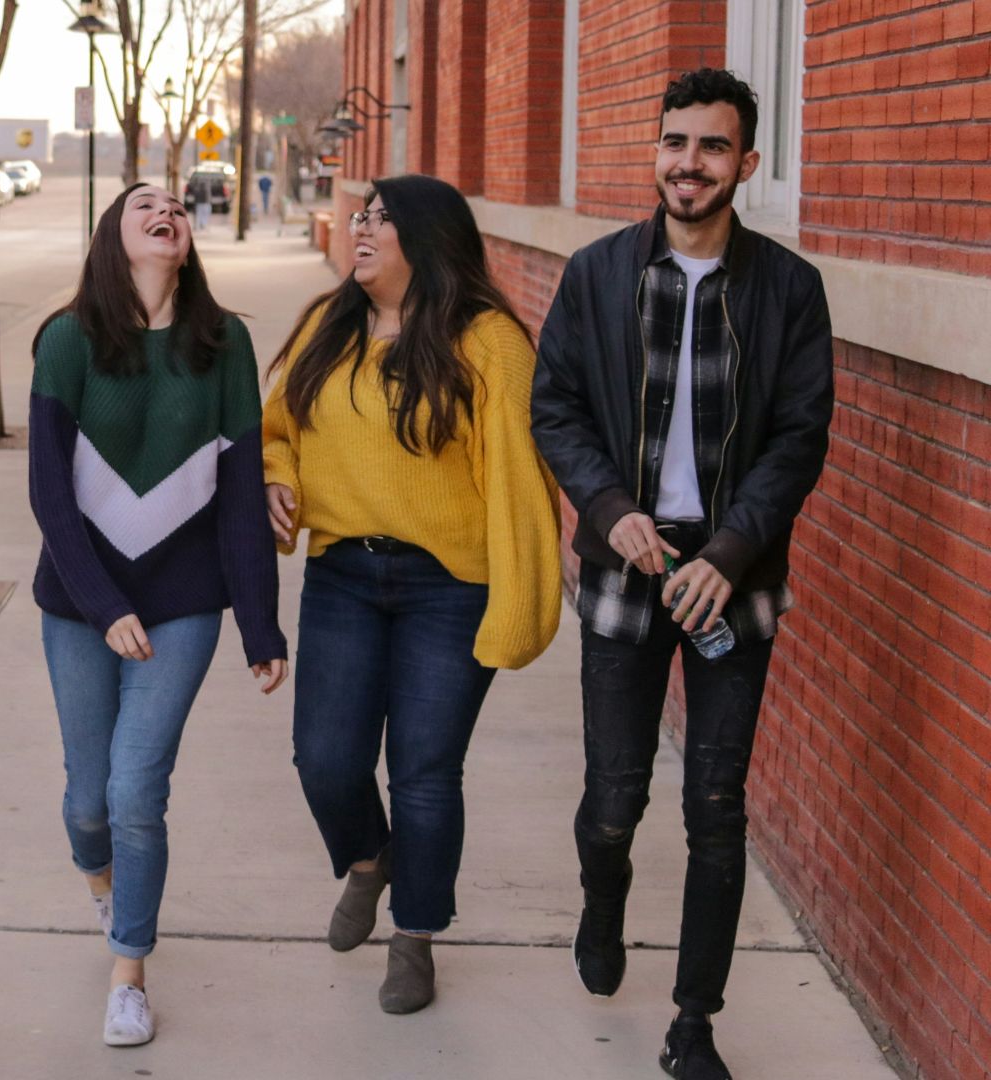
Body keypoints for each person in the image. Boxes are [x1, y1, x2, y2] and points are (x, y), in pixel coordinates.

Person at [530, 68, 833, 1080]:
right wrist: (611, 513)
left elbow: (799, 436)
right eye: (675, 143)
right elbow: (557, 409)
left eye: (711, 147)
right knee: (615, 792)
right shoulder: (600, 274)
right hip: (628, 567)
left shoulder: (789, 288)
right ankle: (603, 894)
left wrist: (733, 551)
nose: (688, 164)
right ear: (654, 153)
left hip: (730, 575)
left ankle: (693, 1020)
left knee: (717, 803)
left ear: (745, 164)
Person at [263, 174, 561, 1016]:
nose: (360, 229)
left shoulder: (488, 341)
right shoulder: (329, 326)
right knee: (324, 759)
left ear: (426, 240)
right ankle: (368, 861)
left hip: (449, 587)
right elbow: (277, 429)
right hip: (343, 575)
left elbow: (520, 482)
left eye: (381, 220)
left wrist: (519, 605)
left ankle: (416, 937)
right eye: (360, 215)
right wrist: (276, 480)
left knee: (425, 773)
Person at [31, 182, 288, 1047]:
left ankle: (129, 969)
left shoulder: (225, 344)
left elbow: (244, 496)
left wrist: (260, 624)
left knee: (137, 789)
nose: (165, 208)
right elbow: (49, 498)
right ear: (115, 234)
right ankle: (106, 886)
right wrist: (103, 607)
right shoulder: (67, 341)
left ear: (187, 238)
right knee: (86, 801)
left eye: (177, 203)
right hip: (79, 603)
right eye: (143, 202)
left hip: (182, 604)